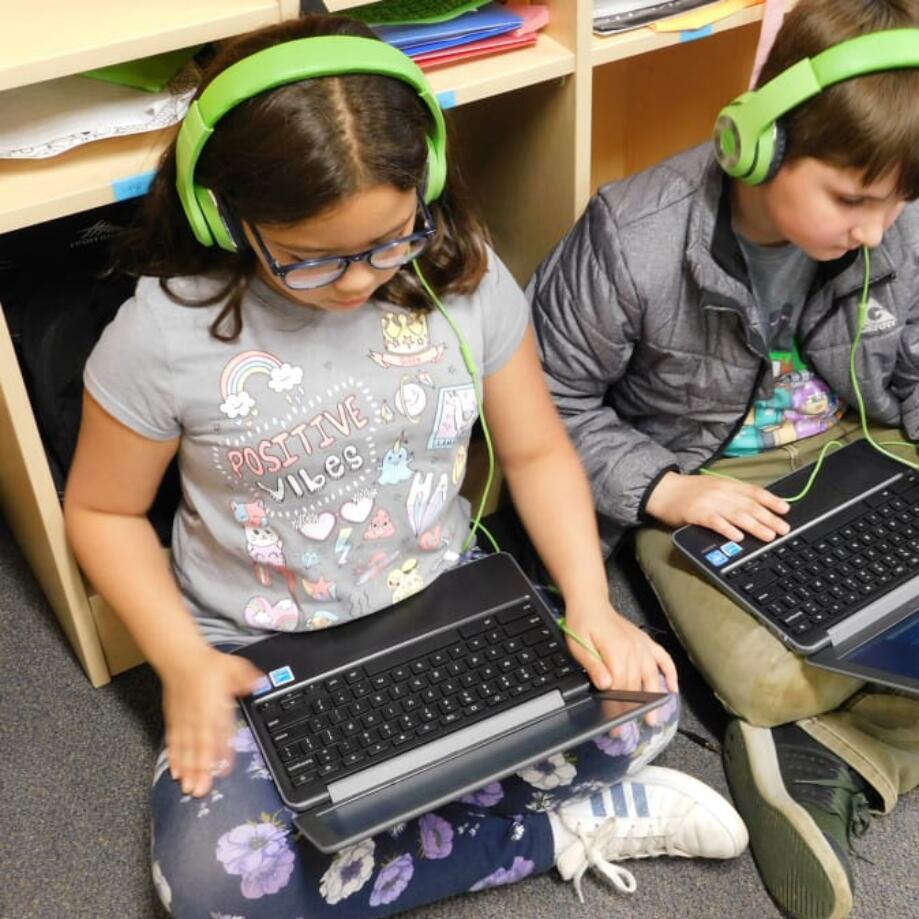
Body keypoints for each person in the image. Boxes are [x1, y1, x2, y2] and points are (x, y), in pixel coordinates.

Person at [63, 15, 748, 919]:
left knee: (644, 702)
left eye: (391, 238)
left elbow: (539, 447)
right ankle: (548, 833)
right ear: (219, 214)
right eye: (309, 259)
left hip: (444, 598)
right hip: (257, 656)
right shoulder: (163, 334)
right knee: (213, 890)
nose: (357, 280)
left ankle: (399, 837)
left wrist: (589, 604)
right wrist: (183, 661)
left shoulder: (460, 276)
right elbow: (102, 515)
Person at [527, 2, 919, 918]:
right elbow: (542, 407)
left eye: (896, 203)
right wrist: (663, 488)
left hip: (866, 440)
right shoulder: (634, 234)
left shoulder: (897, 217)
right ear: (758, 145)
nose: (876, 227)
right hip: (702, 484)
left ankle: (842, 757)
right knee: (773, 678)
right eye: (853, 200)